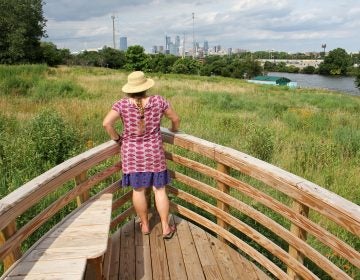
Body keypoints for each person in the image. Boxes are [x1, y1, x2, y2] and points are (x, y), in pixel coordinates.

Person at [103, 71, 180, 239]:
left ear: (129, 88)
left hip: (131, 153)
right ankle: (166, 227)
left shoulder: (121, 105)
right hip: (154, 151)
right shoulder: (159, 101)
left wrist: (117, 138)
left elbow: (107, 124)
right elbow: (176, 119)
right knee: (159, 189)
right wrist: (173, 131)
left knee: (138, 190)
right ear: (146, 86)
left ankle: (145, 225)